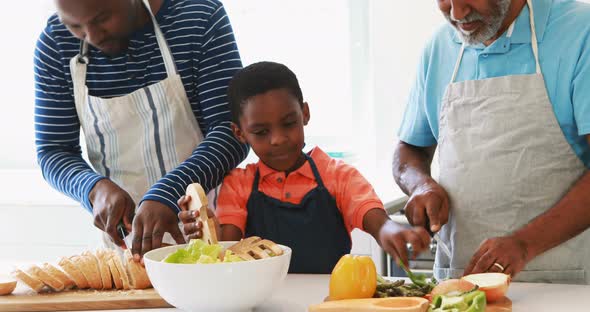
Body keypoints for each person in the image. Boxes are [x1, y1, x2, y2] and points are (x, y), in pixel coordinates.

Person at [34, 0, 248, 260]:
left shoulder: (198, 18)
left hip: (213, 237)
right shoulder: (55, 44)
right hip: (127, 250)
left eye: (102, 18)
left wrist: (169, 191)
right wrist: (94, 189)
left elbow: (232, 132)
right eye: (75, 26)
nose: (92, 37)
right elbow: (54, 150)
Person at [393, 0, 590, 284]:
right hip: (460, 285)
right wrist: (420, 184)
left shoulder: (579, 32)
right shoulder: (439, 47)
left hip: (563, 286)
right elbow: (410, 148)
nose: (457, 13)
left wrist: (524, 244)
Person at [177, 61, 431, 273]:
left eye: (288, 123)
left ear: (305, 114)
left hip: (331, 303)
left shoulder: (337, 175)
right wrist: (205, 234)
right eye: (261, 132)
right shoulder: (239, 184)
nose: (277, 139)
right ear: (240, 133)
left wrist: (389, 230)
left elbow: (372, 215)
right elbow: (228, 249)